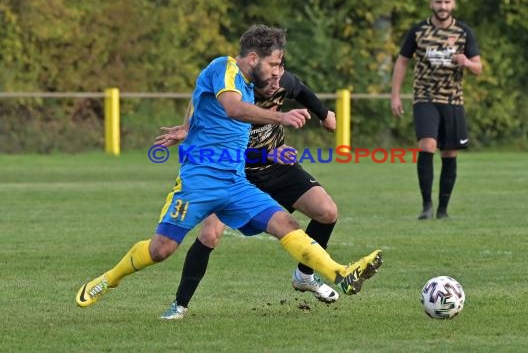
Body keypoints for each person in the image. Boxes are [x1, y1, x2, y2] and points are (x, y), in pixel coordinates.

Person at [75, 25, 383, 310]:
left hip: (236, 183)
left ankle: (341, 273)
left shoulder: (250, 85)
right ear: (253, 58)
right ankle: (110, 278)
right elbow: (233, 109)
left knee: (287, 225)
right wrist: (281, 117)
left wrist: (189, 127)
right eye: (274, 64)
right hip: (199, 182)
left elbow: (201, 100)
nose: (279, 71)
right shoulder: (224, 68)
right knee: (161, 250)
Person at [155, 64, 342, 320]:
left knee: (327, 211)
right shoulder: (233, 97)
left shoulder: (280, 80)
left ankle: (304, 276)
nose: (277, 84)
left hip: (277, 166)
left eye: (279, 76)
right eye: (271, 80)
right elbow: (199, 101)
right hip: (233, 173)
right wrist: (188, 127)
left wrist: (325, 114)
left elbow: (302, 91)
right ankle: (179, 305)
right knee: (210, 235)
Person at [390, 0, 482, 220]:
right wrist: (396, 95)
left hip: (453, 100)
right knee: (427, 145)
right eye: (439, 2)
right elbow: (402, 62)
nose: (443, 7)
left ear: (453, 4)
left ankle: (443, 210)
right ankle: (426, 206)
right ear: (431, 4)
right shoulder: (418, 31)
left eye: (447, 2)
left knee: (449, 152)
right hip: (425, 98)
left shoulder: (464, 32)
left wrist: (467, 63)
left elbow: (478, 68)